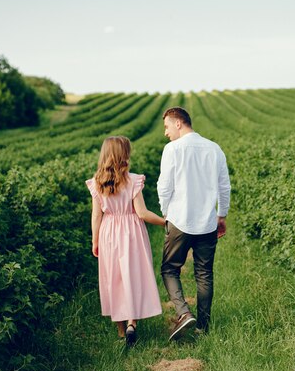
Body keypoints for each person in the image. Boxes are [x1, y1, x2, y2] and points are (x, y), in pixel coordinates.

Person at [157, 107, 231, 340]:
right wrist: (222, 215)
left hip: (179, 220)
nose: (166, 133)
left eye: (167, 126)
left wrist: (166, 213)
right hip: (207, 223)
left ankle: (183, 312)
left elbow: (164, 187)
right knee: (204, 273)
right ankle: (203, 328)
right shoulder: (214, 149)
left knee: (169, 269)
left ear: (179, 123)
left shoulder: (172, 150)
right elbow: (224, 186)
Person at [86, 136, 165, 346]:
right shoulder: (133, 181)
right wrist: (164, 222)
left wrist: (95, 240)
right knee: (133, 274)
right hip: (131, 232)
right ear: (125, 155)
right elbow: (142, 213)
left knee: (115, 278)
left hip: (108, 232)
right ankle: (132, 323)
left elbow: (96, 216)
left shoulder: (97, 182)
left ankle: (121, 331)